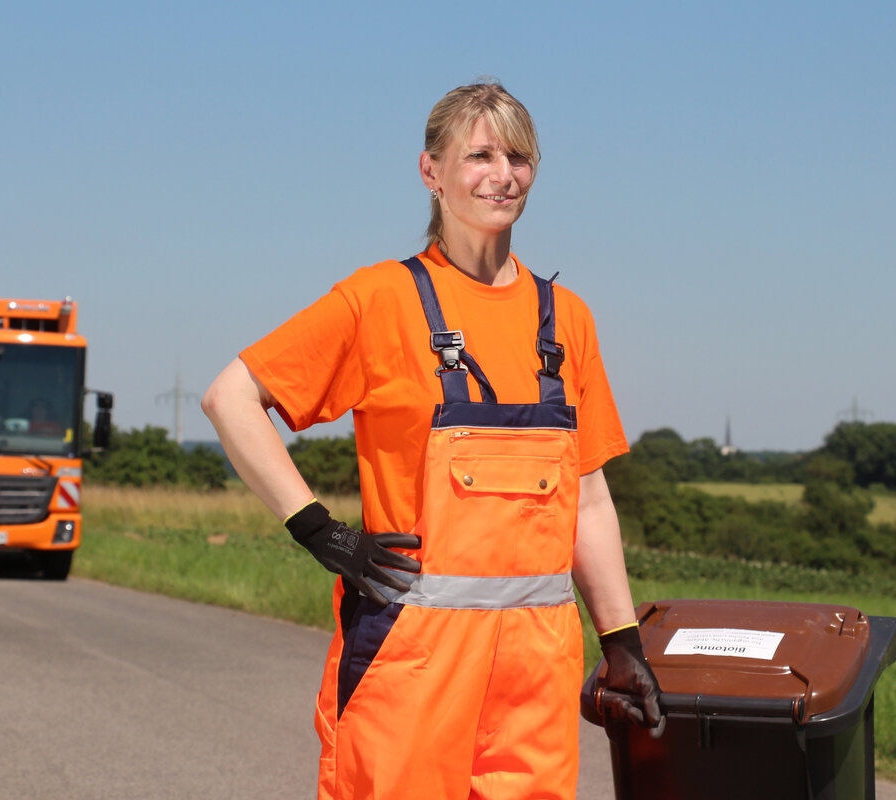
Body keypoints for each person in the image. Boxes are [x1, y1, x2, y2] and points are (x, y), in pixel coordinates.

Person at [202, 81, 663, 800]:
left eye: (518, 156)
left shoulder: (565, 319)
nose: (501, 174)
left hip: (535, 670)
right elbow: (230, 397)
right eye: (478, 155)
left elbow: (588, 497)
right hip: (410, 659)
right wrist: (319, 530)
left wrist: (620, 639)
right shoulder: (380, 299)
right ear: (432, 172)